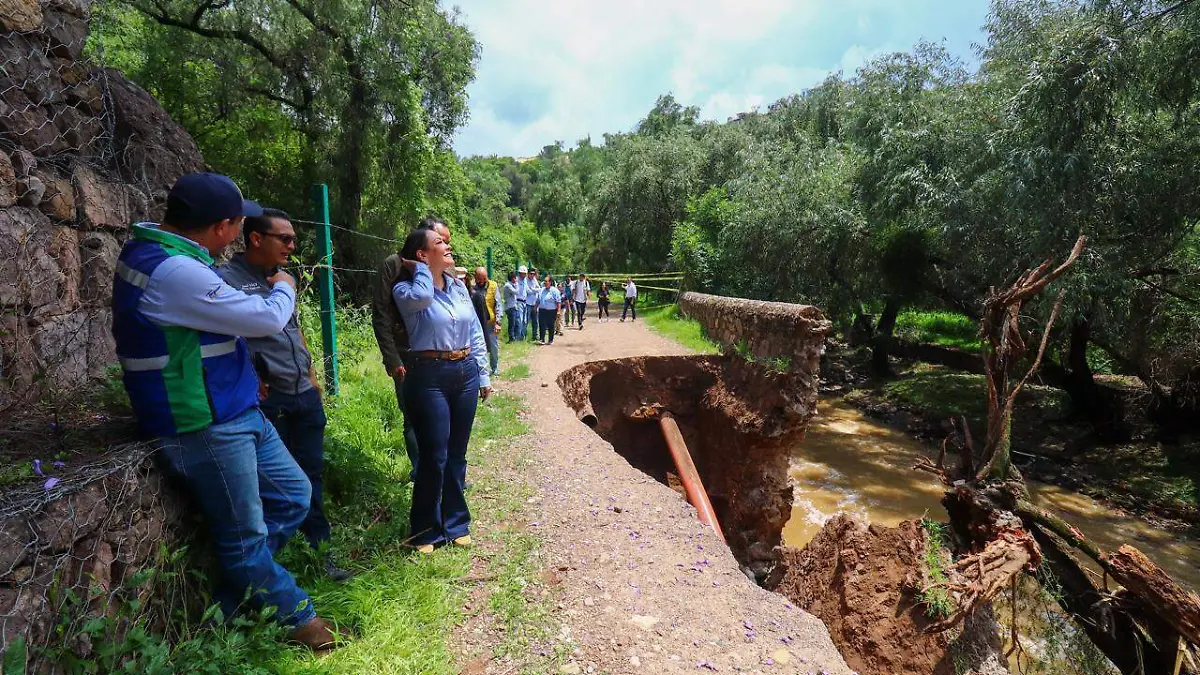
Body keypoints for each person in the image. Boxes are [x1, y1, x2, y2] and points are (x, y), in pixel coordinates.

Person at [111, 172, 338, 650]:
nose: (239, 233)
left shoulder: (173, 259)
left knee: (294, 495)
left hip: (235, 409)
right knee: (245, 541)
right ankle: (304, 621)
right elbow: (264, 319)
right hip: (204, 422)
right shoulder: (174, 272)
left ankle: (229, 603)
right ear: (222, 228)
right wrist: (285, 286)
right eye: (238, 223)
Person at [217, 208, 351, 583]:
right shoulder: (224, 280)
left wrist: (310, 377)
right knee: (268, 487)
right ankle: (268, 569)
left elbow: (292, 328)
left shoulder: (281, 279)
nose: (293, 246)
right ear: (256, 239)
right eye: (285, 239)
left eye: (293, 239)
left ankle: (318, 555)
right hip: (266, 401)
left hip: (302, 395)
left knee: (311, 476)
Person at [392, 228, 491, 553]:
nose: (448, 247)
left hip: (464, 372)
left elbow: (474, 329)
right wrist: (422, 271)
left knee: (457, 454)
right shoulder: (406, 290)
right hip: (428, 375)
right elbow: (423, 298)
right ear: (422, 255)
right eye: (439, 244)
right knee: (434, 456)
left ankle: (456, 522)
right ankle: (424, 529)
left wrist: (483, 373)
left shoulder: (458, 288)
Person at [372, 215, 450, 479]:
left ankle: (443, 471)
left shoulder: (443, 267)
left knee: (443, 415)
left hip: (439, 353)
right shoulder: (393, 267)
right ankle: (422, 473)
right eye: (440, 241)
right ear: (422, 241)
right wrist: (392, 358)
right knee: (412, 415)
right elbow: (381, 314)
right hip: (406, 353)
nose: (445, 247)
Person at [473, 267, 501, 377]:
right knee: (478, 347)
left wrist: (498, 322)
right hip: (477, 323)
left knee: (493, 347)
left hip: (490, 323)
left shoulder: (493, 286)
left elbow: (498, 304)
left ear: (485, 278)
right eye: (477, 279)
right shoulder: (472, 288)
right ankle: (480, 370)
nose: (478, 282)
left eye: (481, 279)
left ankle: (494, 369)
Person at [537, 275, 562, 344]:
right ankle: (542, 339)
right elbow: (538, 300)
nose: (545, 283)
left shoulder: (555, 291)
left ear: (550, 282)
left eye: (546, 281)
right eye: (544, 281)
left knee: (550, 325)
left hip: (551, 311)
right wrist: (535, 307)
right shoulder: (541, 290)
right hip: (542, 310)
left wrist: (558, 311)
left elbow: (558, 301)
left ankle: (550, 340)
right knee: (542, 324)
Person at [501, 271, 521, 343]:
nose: (517, 279)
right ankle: (511, 339)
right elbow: (516, 292)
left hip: (514, 306)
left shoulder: (512, 284)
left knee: (517, 323)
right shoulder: (508, 286)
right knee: (512, 324)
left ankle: (516, 338)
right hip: (510, 307)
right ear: (513, 278)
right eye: (516, 277)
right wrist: (517, 285)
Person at [524, 269, 540, 342]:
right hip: (528, 303)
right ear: (528, 274)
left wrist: (533, 289)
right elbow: (528, 291)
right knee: (526, 320)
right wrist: (534, 290)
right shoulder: (525, 280)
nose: (532, 275)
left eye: (533, 274)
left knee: (535, 321)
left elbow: (539, 289)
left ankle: (535, 336)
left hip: (534, 304)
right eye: (531, 274)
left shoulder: (534, 280)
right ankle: (524, 335)